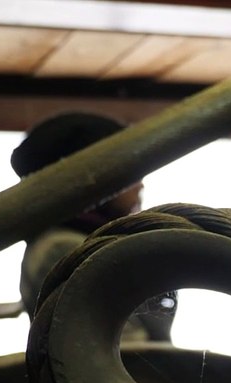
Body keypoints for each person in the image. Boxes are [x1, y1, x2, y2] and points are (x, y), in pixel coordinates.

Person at [11, 112, 175, 342]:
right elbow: (129, 352)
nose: (140, 184)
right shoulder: (64, 250)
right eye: (128, 170)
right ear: (95, 180)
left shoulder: (86, 241)